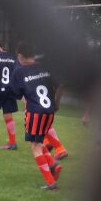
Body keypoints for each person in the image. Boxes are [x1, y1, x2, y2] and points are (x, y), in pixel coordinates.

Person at [10, 43, 63, 190]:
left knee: (35, 146)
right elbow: (61, 85)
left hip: (35, 112)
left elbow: (15, 94)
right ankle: (53, 164)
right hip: (49, 112)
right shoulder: (45, 67)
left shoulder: (20, 71)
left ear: (20, 56)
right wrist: (56, 103)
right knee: (37, 142)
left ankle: (50, 183)